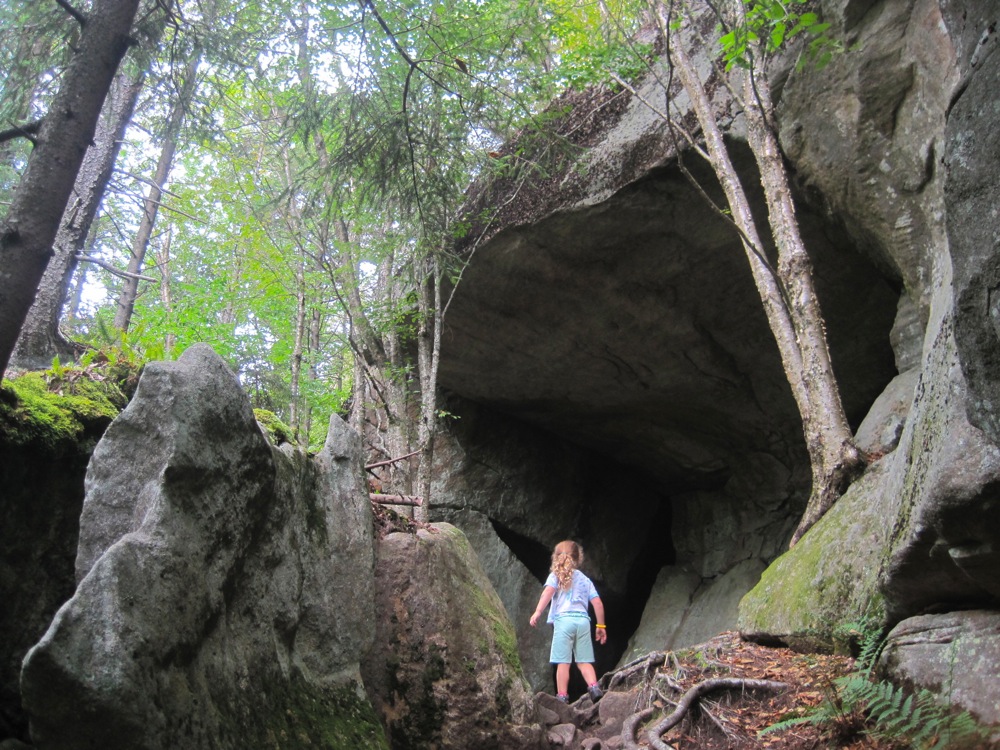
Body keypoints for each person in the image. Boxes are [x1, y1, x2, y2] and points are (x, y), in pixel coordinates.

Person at [529, 540, 607, 703]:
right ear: (578, 559)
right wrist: (600, 626)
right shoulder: (585, 580)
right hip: (583, 622)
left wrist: (537, 612)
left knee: (563, 663)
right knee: (584, 661)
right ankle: (594, 687)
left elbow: (547, 593)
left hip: (563, 621)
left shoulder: (555, 576)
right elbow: (598, 603)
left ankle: (562, 698)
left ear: (555, 558)